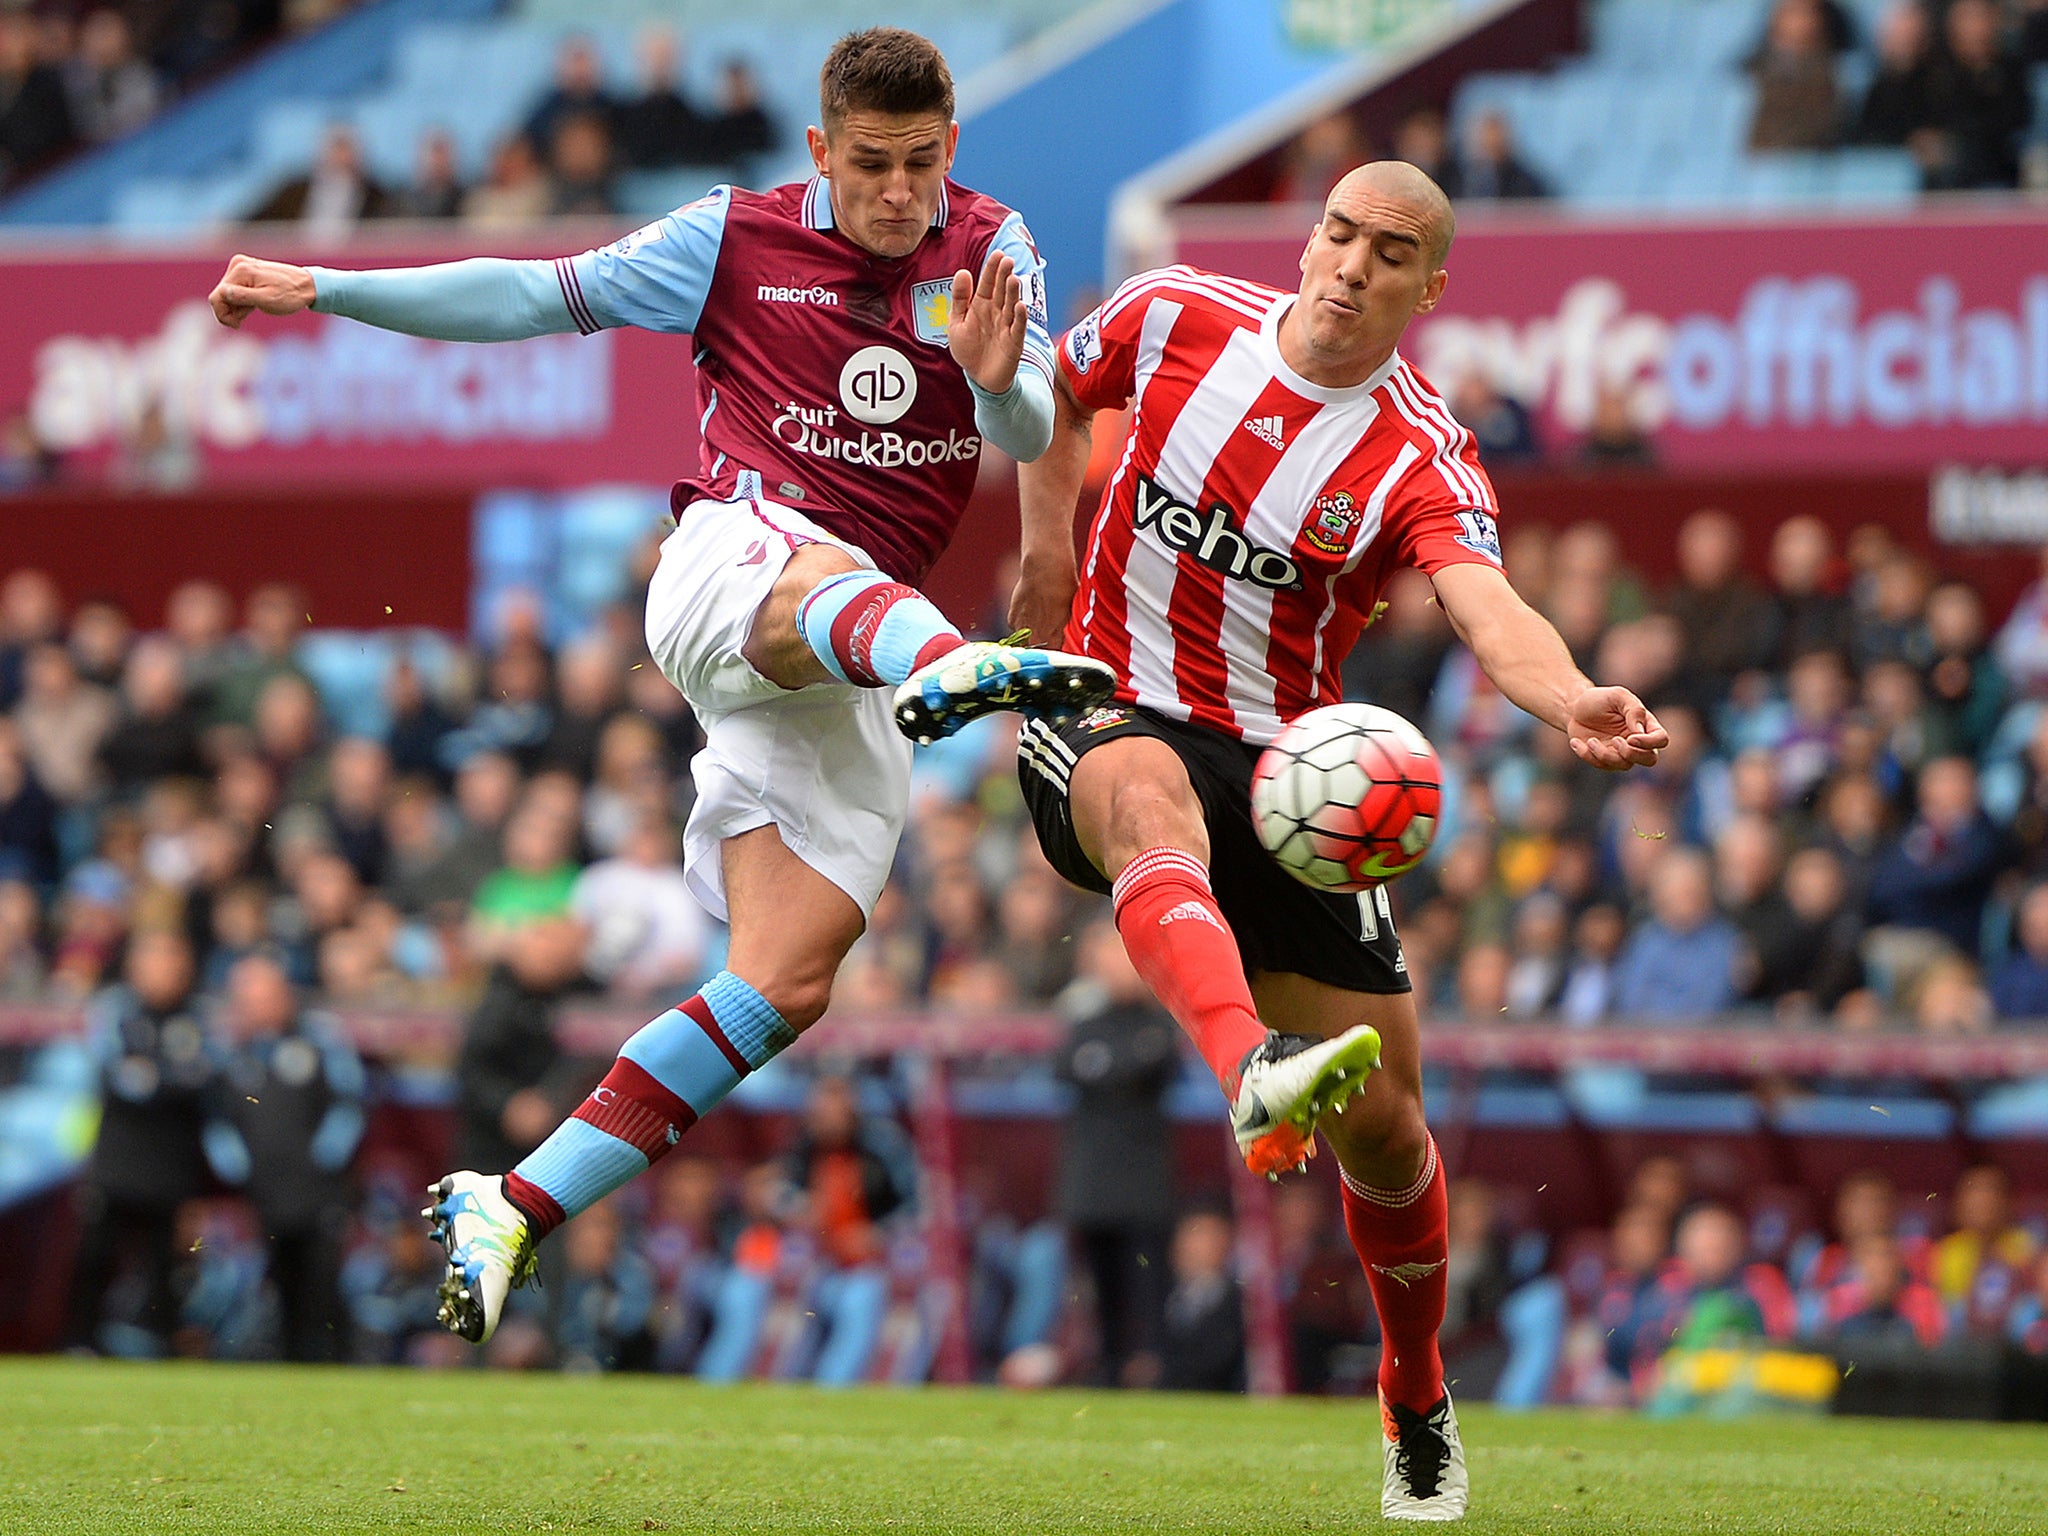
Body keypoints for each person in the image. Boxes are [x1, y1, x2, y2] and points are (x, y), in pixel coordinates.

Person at [208, 27, 1111, 1348]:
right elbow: (529, 297)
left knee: (786, 981)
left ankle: (514, 1202)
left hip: (845, 662)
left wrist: (995, 387)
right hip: (734, 569)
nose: (899, 190)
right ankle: (959, 669)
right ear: (819, 151)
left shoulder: (993, 246)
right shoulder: (733, 236)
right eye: (871, 163)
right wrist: (324, 289)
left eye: (922, 162)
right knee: (830, 584)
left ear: (951, 149)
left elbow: (1033, 427)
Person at [1014, 160, 1667, 1520]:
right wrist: (1038, 565)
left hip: (1288, 774)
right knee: (1144, 793)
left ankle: (1415, 1396)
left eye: (1392, 252)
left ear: (1429, 289)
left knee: (1386, 1129)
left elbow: (1489, 607)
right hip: (1104, 700)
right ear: (1311, 239)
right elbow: (1046, 404)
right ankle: (1246, 1064)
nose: (1354, 263)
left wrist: (1571, 697)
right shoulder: (1171, 312)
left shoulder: (1421, 448)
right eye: (1341, 232)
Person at [205, 950, 365, 1362]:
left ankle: (339, 1359)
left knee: (323, 1280)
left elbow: (351, 1099)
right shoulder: (234, 1054)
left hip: (317, 1189)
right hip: (264, 1190)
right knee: (277, 1282)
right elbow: (217, 1114)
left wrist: (326, 1154)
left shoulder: (319, 1040)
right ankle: (290, 1360)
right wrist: (234, 1161)